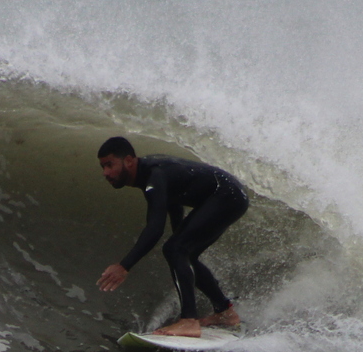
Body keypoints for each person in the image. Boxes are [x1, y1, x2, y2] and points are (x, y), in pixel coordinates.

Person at [95, 136, 248, 337]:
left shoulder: (153, 175)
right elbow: (174, 202)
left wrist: (124, 266)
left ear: (129, 161)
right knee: (182, 252)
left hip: (228, 195)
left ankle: (188, 321)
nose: (106, 173)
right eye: (103, 167)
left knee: (175, 249)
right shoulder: (150, 174)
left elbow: (155, 228)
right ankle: (225, 312)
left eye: (109, 165)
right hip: (229, 195)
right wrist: (180, 242)